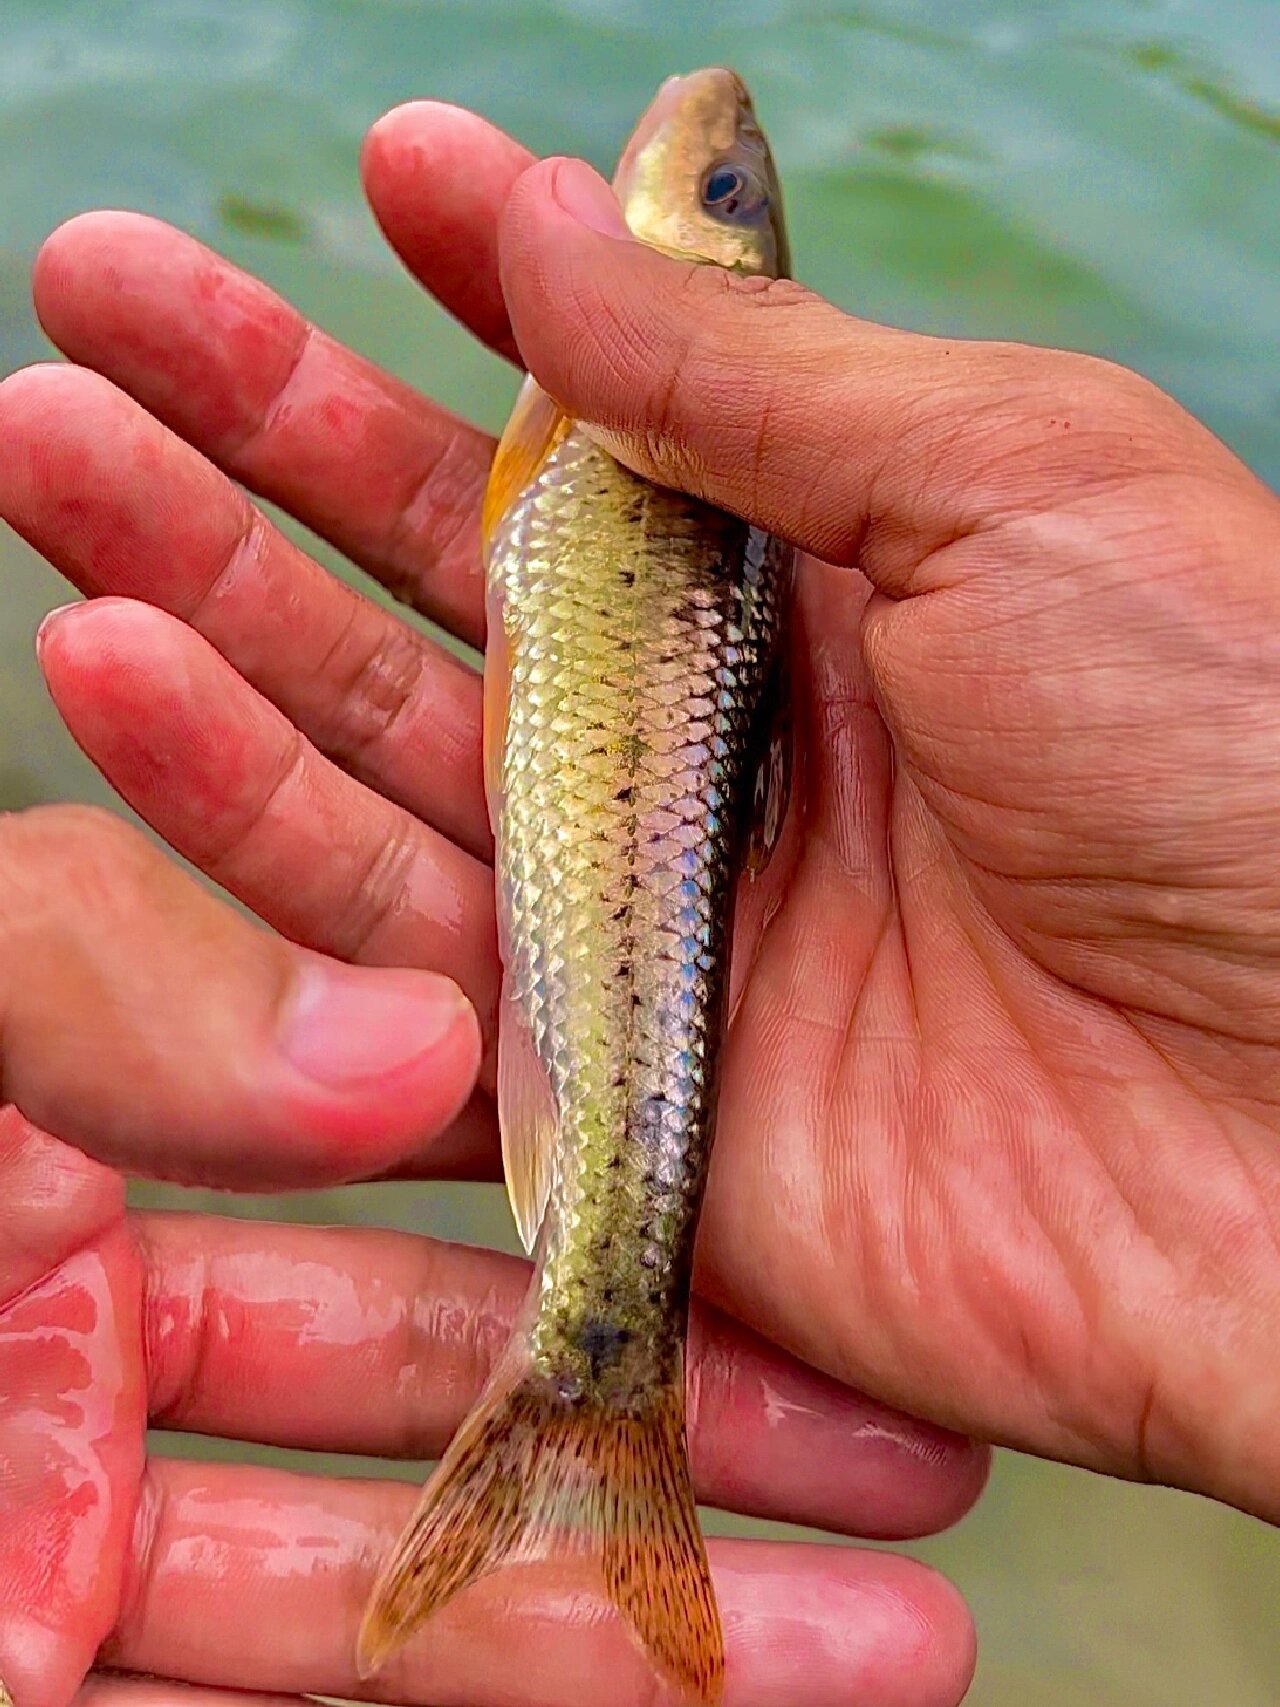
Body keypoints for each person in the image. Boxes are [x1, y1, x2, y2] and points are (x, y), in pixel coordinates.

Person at [0, 98, 1277, 1707]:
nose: (707, 147)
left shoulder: (646, 411)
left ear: (708, 266)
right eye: (730, 185)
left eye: (723, 190)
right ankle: (591, 1416)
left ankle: (593, 1393)